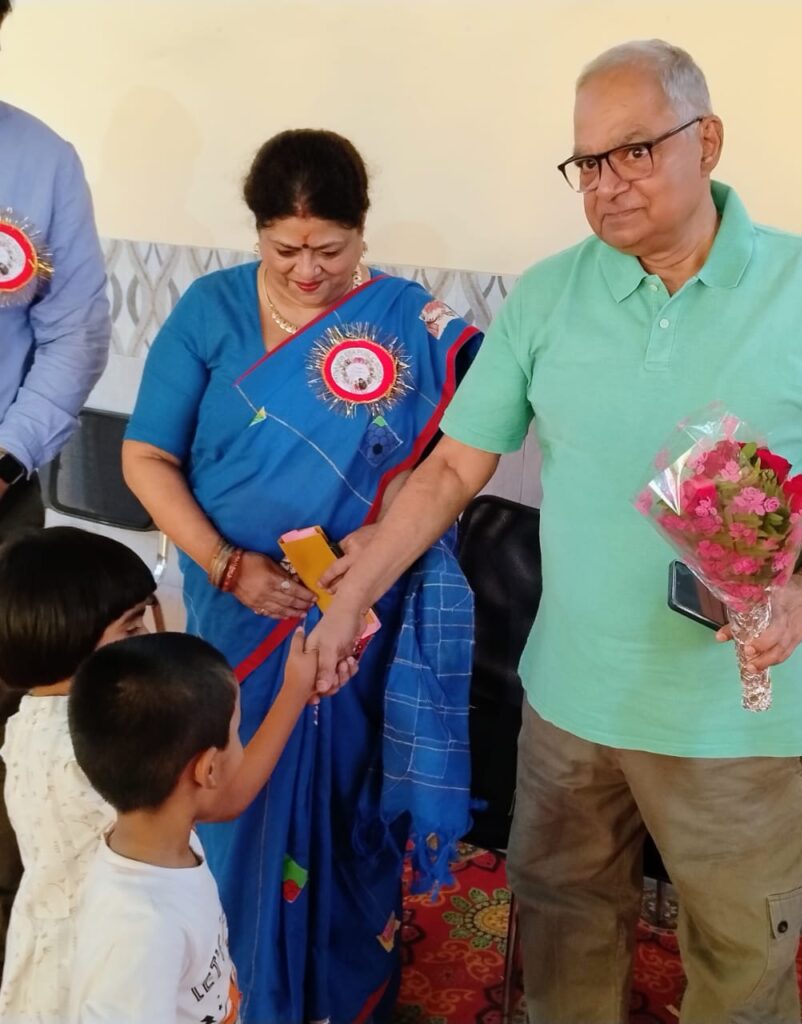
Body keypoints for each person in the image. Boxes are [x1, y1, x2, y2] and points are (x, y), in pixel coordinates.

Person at [308, 39, 802, 1024]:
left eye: (635, 150)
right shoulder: (551, 294)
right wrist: (352, 592)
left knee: (740, 982)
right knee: (562, 966)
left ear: (708, 141)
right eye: (588, 163)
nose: (608, 184)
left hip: (741, 727)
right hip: (571, 712)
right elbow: (450, 470)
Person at [122, 129, 481, 1022]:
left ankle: (335, 986)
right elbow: (145, 459)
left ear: (363, 234)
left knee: (344, 801)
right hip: (231, 610)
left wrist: (381, 538)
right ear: (258, 234)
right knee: (230, 790)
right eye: (287, 250)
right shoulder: (210, 309)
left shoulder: (408, 322)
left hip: (352, 619)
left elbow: (453, 460)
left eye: (332, 249)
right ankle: (235, 986)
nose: (309, 270)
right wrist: (226, 564)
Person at [0, 0, 112, 964]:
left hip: (1, 496)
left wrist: (7, 453)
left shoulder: (40, 162)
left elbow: (73, 333)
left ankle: (12, 931)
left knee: (18, 734)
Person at [67, 629, 319, 1024]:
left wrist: (296, 688)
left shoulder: (163, 839)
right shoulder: (140, 932)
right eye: (237, 733)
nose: (240, 743)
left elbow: (232, 797)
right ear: (208, 769)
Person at [0, 528, 154, 1024]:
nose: (150, 638)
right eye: (132, 628)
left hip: (53, 942)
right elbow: (215, 801)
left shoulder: (28, 718)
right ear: (69, 634)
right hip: (99, 956)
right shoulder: (92, 743)